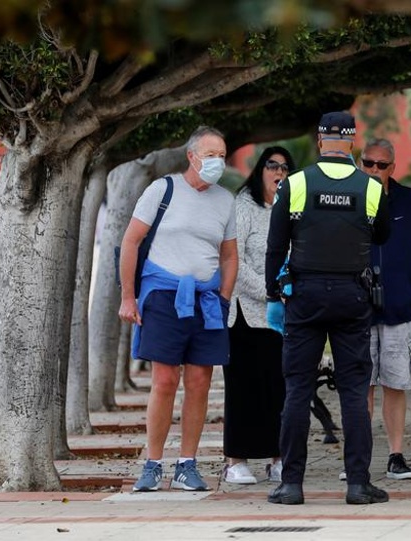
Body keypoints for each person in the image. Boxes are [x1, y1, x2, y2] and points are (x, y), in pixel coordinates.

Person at [265, 111, 391, 505]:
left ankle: (290, 485)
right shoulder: (371, 187)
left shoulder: (296, 183)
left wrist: (276, 291)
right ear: (352, 143)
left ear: (320, 142)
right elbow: (383, 234)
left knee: (297, 389)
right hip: (353, 295)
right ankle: (357, 484)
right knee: (354, 391)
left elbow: (275, 245)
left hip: (305, 293)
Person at [118, 126, 238, 492]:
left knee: (200, 382)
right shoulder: (163, 190)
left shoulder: (225, 200)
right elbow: (131, 241)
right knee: (165, 380)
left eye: (222, 154)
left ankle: (187, 463)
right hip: (163, 296)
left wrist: (223, 296)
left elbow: (229, 254)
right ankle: (152, 463)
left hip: (205, 300)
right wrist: (128, 296)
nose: (217, 161)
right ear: (192, 156)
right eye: (210, 154)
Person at [358, 138, 411, 481]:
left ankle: (396, 455)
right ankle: (358, 459)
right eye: (368, 163)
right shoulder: (349, 201)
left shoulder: (410, 201)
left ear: (393, 167)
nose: (374, 170)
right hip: (356, 311)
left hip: (399, 310)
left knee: (395, 382)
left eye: (381, 165)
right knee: (361, 386)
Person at [222, 147, 295, 485]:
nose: (277, 172)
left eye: (284, 167)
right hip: (246, 317)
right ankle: (236, 459)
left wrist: (286, 291)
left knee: (278, 389)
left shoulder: (293, 209)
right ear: (260, 170)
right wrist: (269, 291)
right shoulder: (243, 206)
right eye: (271, 165)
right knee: (243, 389)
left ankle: (278, 458)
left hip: (281, 318)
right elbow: (235, 262)